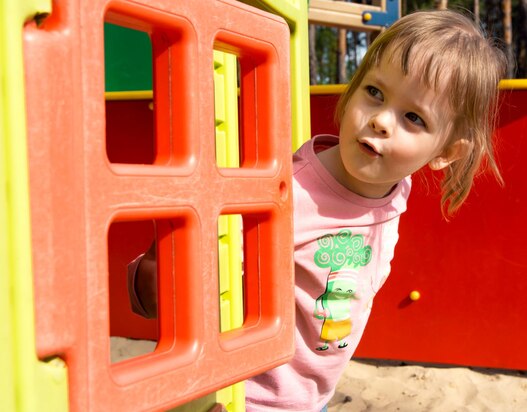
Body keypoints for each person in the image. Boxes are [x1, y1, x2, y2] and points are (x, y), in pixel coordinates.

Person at [127, 9, 507, 411]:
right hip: (250, 400)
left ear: (445, 153)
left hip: (312, 398)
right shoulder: (290, 194)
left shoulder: (396, 187)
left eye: (413, 117)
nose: (379, 120)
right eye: (374, 92)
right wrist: (158, 272)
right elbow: (184, 280)